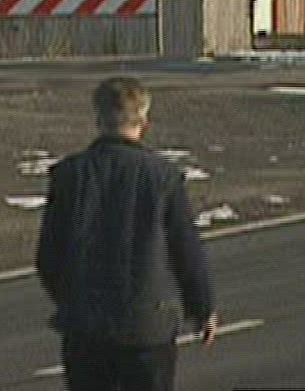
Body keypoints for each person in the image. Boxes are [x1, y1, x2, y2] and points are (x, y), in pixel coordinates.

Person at [36, 77, 218, 391]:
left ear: (98, 119)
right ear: (144, 122)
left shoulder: (70, 175)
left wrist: (71, 299)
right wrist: (202, 308)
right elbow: (185, 251)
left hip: (87, 327)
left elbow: (49, 256)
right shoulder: (162, 176)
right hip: (148, 327)